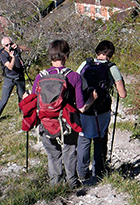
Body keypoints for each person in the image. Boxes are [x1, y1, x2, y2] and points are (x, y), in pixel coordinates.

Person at [30, 39, 86, 188]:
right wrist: (92, 99)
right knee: (69, 151)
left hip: (46, 122)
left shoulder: (40, 76)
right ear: (66, 56)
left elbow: (34, 101)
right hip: (67, 122)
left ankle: (55, 183)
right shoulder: (74, 76)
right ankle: (72, 182)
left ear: (50, 56)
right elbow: (80, 107)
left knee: (53, 154)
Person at [75, 40, 128, 182]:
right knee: (100, 137)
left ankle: (82, 172)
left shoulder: (85, 64)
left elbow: (75, 81)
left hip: (84, 108)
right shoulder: (111, 67)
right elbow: (122, 94)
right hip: (102, 109)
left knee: (84, 138)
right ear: (110, 55)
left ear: (97, 52)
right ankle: (98, 171)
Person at [0, 36, 25, 123]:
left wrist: (18, 47)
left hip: (19, 76)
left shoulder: (15, 49)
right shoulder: (2, 54)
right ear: (3, 45)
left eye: (10, 44)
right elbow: (10, 67)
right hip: (9, 78)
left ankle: (23, 111)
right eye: (6, 45)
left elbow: (28, 49)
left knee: (22, 95)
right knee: (4, 99)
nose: (9, 46)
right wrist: (12, 57)